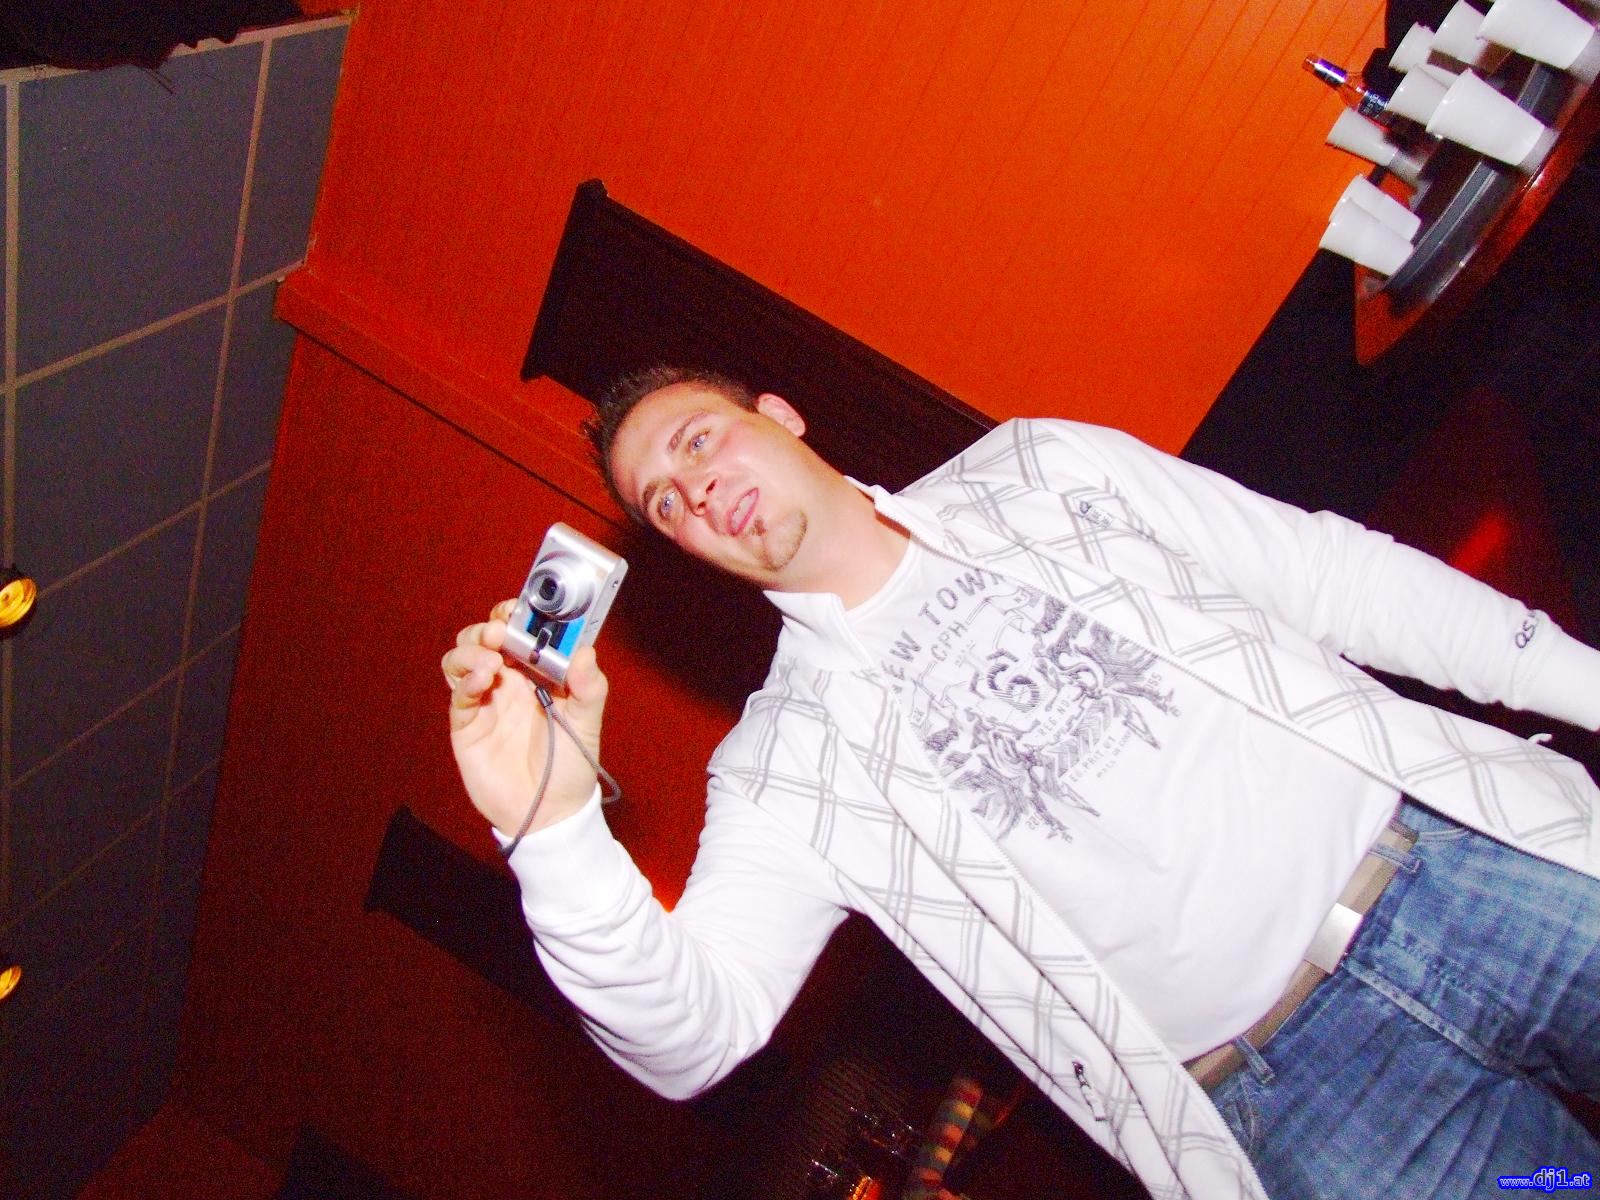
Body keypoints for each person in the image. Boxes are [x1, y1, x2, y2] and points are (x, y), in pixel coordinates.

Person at [442, 366, 1600, 1200]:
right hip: (1321, 1109)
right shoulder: (782, 771)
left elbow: (1331, 579)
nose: (695, 492)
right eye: (664, 503)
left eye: (698, 442)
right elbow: (693, 1035)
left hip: (1482, 875)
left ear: (778, 415)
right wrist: (551, 826)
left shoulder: (1042, 470)